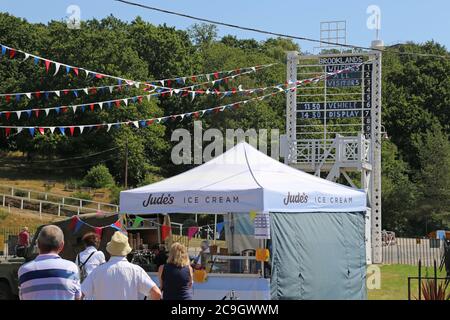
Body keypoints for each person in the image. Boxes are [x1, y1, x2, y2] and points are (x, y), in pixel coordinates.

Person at [81, 231, 161, 300]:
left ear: (110, 251)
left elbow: (80, 294)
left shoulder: (97, 272)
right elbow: (156, 293)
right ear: (126, 251)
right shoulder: (136, 271)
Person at [17, 225, 81, 300]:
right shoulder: (72, 268)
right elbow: (78, 297)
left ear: (38, 244)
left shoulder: (24, 270)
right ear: (62, 245)